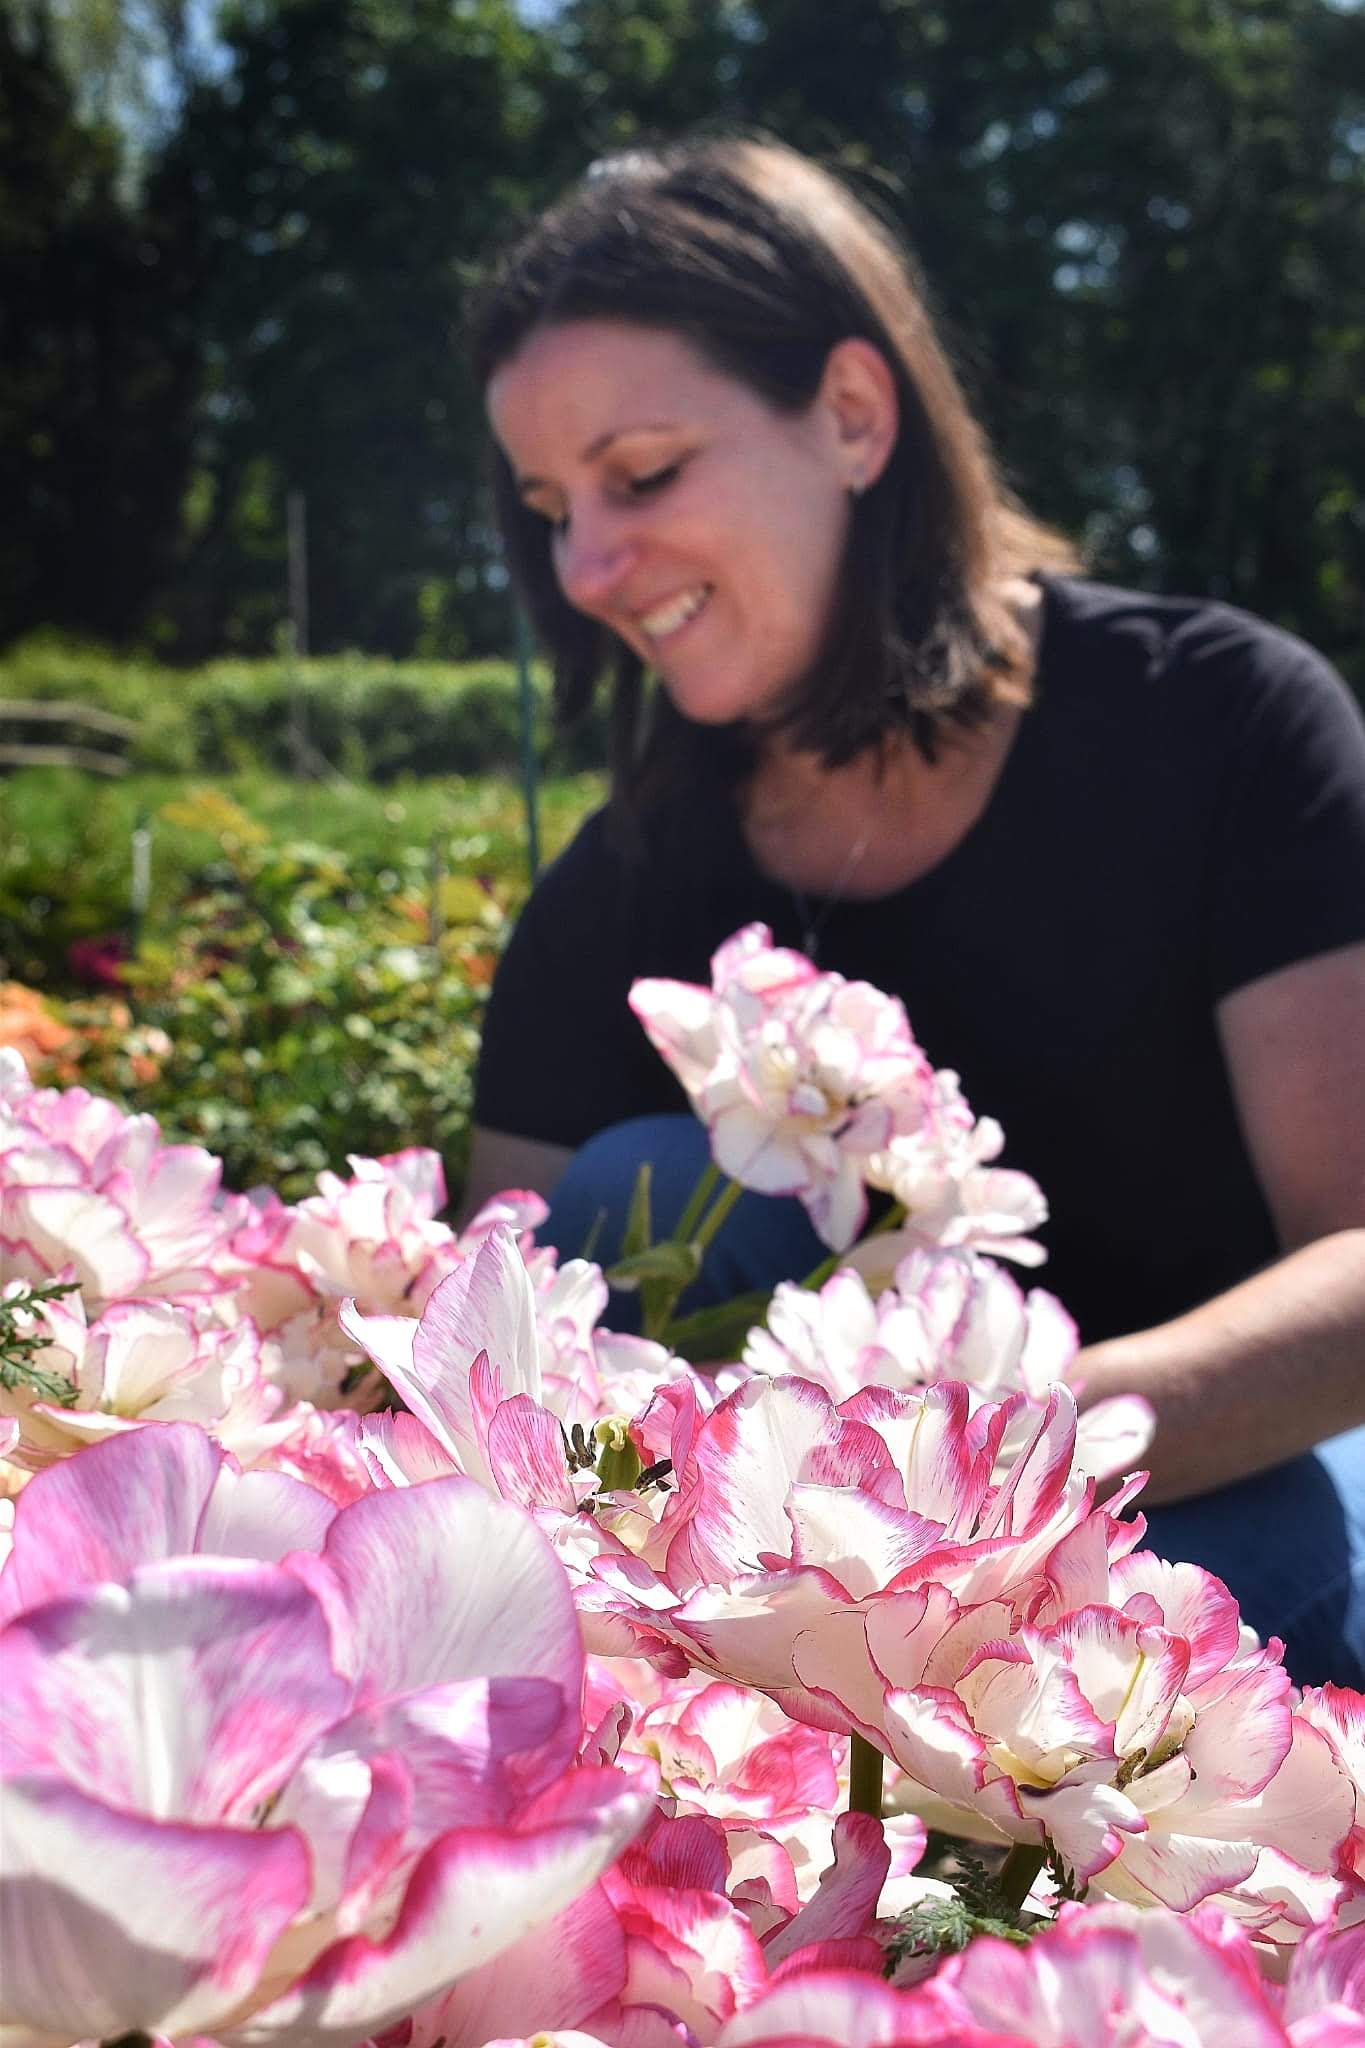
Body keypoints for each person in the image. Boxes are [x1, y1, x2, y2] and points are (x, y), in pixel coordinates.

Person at [465, 134, 1365, 1686]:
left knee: (1185, 1612)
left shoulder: (1217, 726)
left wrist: (991, 1466)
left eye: (643, 473)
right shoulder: (620, 889)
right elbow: (499, 1335)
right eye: (551, 505)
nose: (588, 564)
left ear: (851, 415)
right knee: (629, 1190)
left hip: (1217, 1471)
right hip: (813, 1575)